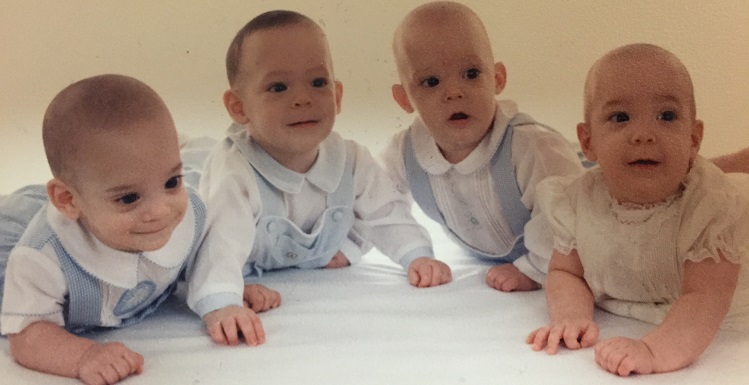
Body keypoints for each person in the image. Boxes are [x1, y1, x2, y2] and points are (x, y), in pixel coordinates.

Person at [188, 10, 452, 347]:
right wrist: (223, 300)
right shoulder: (234, 171)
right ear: (239, 108)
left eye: (318, 82)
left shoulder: (351, 160)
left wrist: (416, 255)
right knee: (186, 215)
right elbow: (219, 245)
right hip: (202, 190)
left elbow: (385, 213)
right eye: (278, 87)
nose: (302, 98)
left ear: (338, 96)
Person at [526, 43, 749, 376]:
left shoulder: (711, 208)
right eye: (620, 117)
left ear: (693, 138)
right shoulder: (578, 201)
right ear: (588, 142)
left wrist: (653, 350)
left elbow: (705, 297)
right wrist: (572, 316)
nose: (644, 134)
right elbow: (565, 272)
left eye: (667, 116)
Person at [0, 74, 210, 384]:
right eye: (128, 198)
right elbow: (26, 335)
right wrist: (83, 355)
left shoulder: (186, 211)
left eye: (171, 182)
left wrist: (219, 283)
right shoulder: (42, 257)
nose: (160, 210)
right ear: (68, 200)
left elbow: (195, 258)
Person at [381, 1, 585, 292]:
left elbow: (568, 216)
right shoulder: (405, 153)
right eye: (431, 81)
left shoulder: (533, 147)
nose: (454, 92)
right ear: (404, 99)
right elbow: (378, 205)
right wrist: (415, 253)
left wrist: (532, 269)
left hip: (582, 186)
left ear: (497, 78)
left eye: (471, 74)